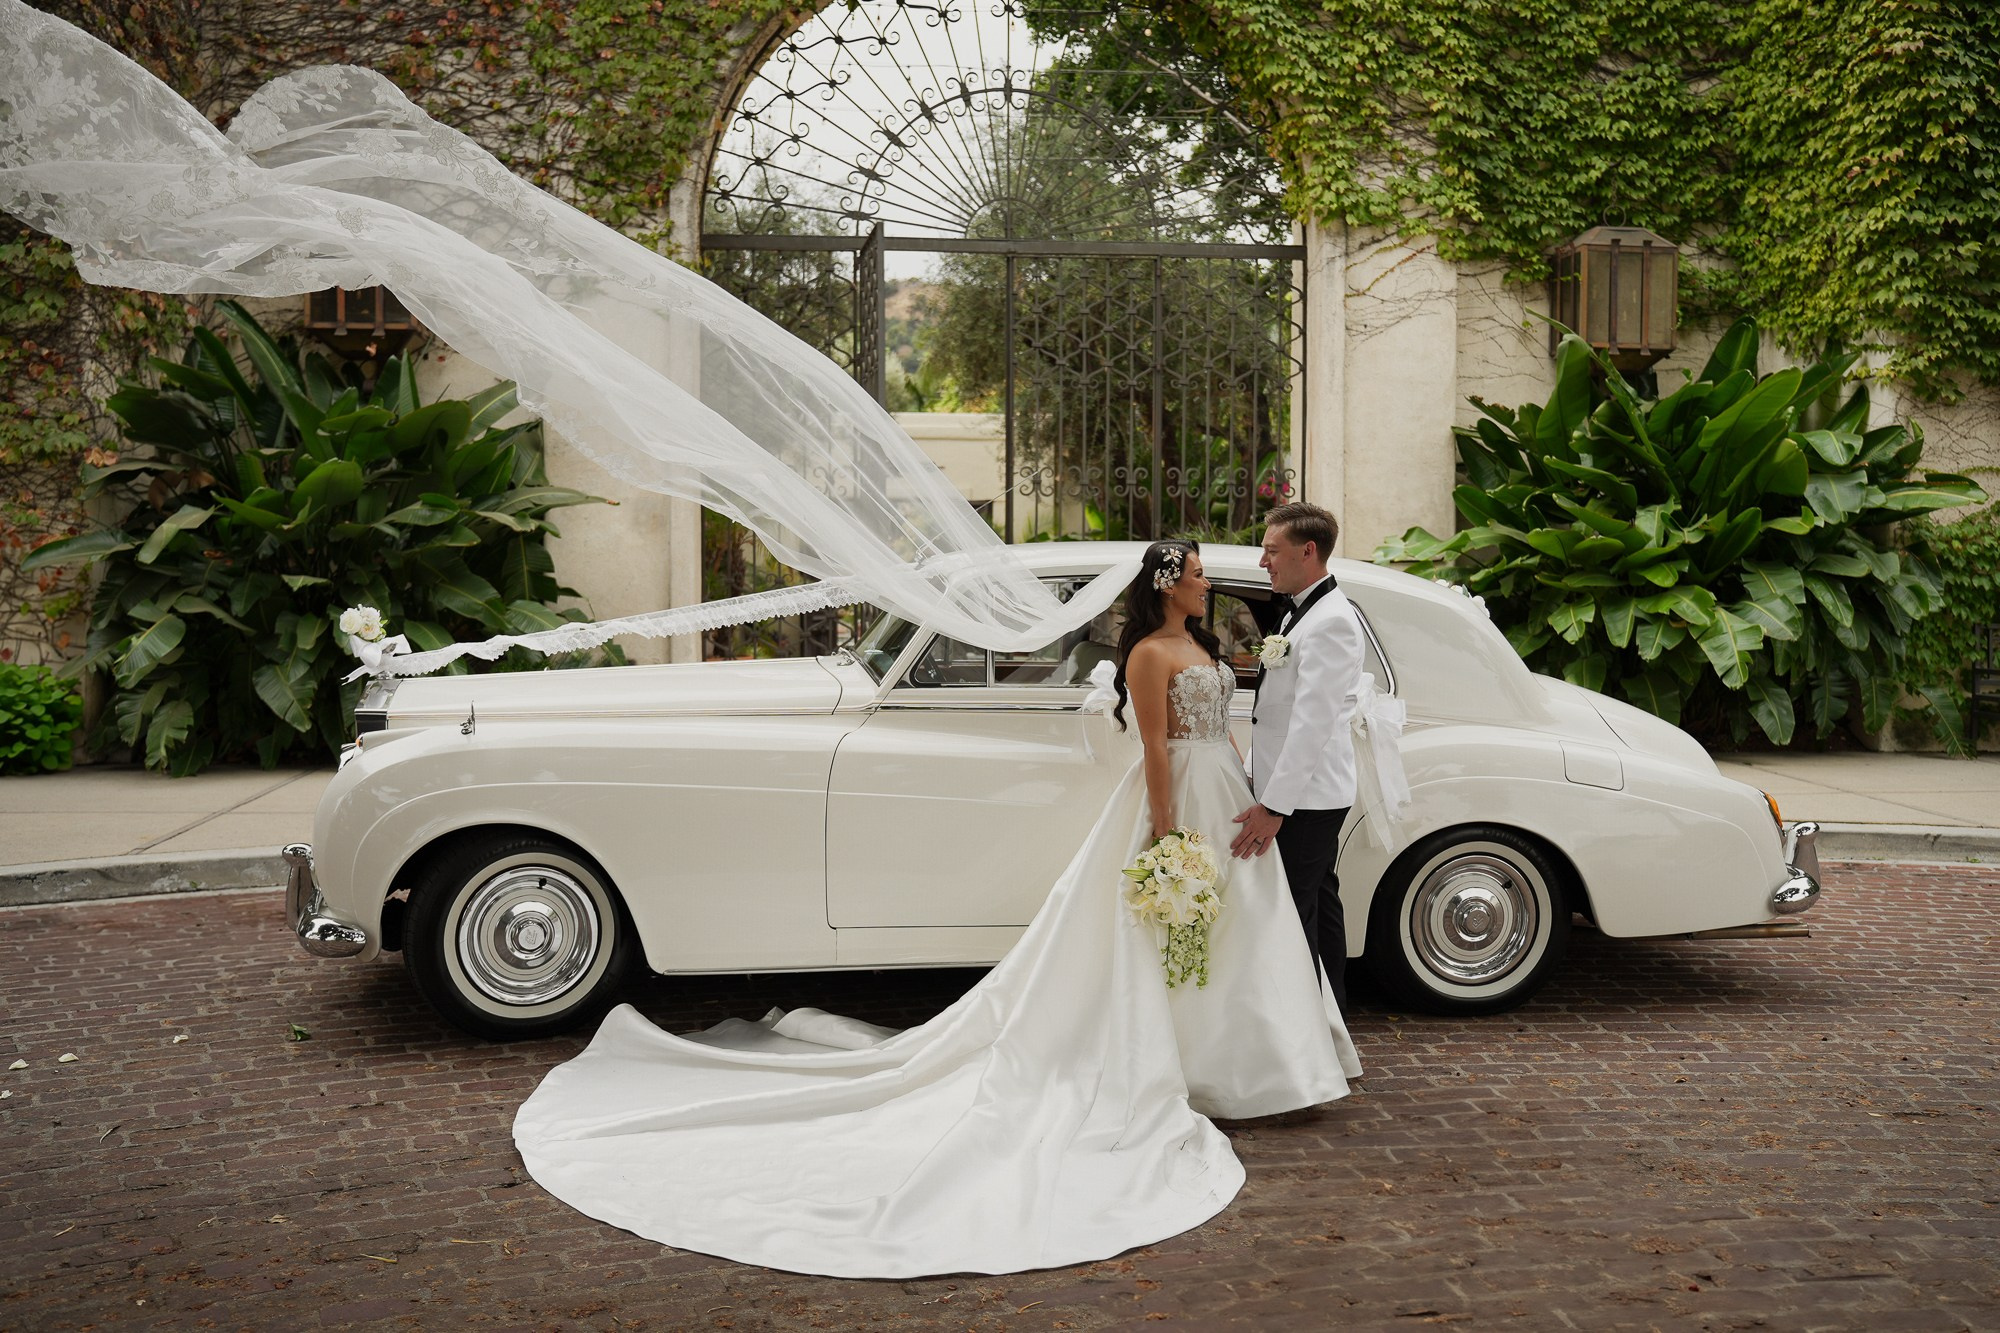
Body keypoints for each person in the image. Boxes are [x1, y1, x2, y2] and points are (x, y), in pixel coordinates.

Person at [513, 539, 1361, 1278]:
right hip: (1181, 802)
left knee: (1237, 936)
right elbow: (1153, 749)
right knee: (1166, 940)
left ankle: (1253, 1064)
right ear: (1167, 583)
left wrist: (1251, 791)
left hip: (1228, 791)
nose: (1210, 584)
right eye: (1200, 575)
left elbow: (1228, 721)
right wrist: (1169, 836)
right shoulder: (1148, 653)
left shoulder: (1205, 642)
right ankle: (1194, 1063)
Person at [1231, 502, 1367, 1011]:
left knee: (1291, 913)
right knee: (1320, 906)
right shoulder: (1302, 611)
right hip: (1300, 795)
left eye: (1271, 551)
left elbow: (1312, 726)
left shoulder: (1332, 621)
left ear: (1307, 551)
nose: (1263, 562)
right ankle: (1332, 1025)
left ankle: (1307, 1031)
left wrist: (1273, 807)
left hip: (1305, 800)